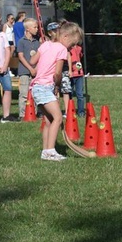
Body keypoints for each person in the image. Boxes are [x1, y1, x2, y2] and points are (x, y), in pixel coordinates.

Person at [30, 21, 85, 161]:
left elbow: (32, 61)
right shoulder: (62, 50)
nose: (72, 48)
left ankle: (45, 151)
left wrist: (44, 50)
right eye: (72, 44)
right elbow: (58, 73)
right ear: (65, 36)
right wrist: (57, 86)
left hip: (36, 87)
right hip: (45, 87)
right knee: (58, 118)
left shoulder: (46, 45)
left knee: (49, 121)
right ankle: (50, 151)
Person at [16, 18, 40, 118]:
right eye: (35, 27)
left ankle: (34, 113)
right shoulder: (21, 41)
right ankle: (22, 114)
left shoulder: (37, 42)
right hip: (24, 71)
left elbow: (40, 56)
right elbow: (20, 56)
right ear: (28, 29)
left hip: (36, 72)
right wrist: (30, 69)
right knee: (24, 93)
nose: (37, 29)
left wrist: (36, 68)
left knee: (35, 93)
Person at [69, 41, 86, 117]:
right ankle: (70, 111)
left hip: (79, 74)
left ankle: (81, 112)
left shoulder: (79, 48)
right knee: (70, 94)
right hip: (71, 75)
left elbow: (80, 57)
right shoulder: (68, 48)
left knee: (80, 94)